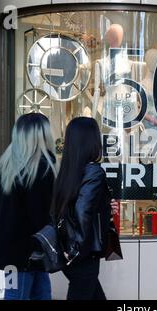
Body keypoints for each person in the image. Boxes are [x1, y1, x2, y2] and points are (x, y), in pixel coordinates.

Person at [0, 113, 57, 300]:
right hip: (32, 253)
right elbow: (41, 216)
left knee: (16, 293)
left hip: (10, 256)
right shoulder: (42, 169)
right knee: (36, 295)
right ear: (43, 135)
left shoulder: (3, 168)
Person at [51, 117, 111, 300]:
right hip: (82, 253)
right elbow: (82, 211)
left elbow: (68, 206)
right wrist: (75, 250)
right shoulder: (94, 171)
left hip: (69, 250)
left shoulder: (68, 170)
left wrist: (105, 205)